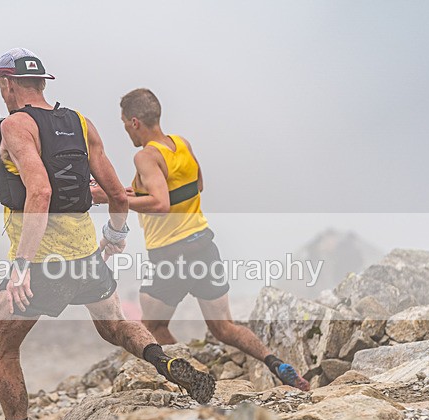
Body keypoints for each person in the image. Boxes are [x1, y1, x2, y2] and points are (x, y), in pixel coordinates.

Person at [0, 49, 216, 420]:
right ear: (43, 83)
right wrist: (116, 235)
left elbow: (40, 193)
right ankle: (165, 363)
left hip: (42, 265)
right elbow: (116, 192)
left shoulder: (16, 125)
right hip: (87, 256)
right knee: (114, 327)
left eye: (1, 85)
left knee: (3, 348)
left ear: (8, 84)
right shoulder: (80, 122)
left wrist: (21, 266)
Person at [91, 89, 309, 391]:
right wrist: (120, 194)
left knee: (152, 327)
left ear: (135, 122)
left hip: (170, 256)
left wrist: (120, 201)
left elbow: (160, 203)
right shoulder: (181, 144)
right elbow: (197, 185)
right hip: (204, 247)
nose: (126, 129)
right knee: (224, 327)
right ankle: (278, 364)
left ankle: (194, 376)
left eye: (125, 123)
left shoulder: (145, 156)